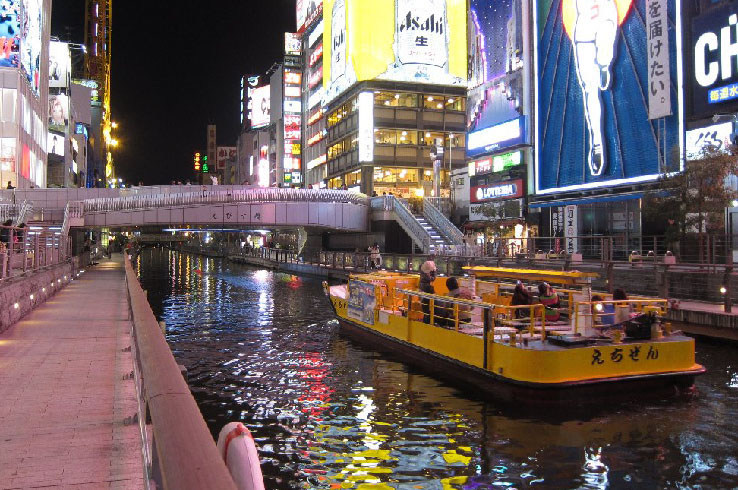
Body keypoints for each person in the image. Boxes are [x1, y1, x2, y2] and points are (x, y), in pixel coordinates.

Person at [419, 259, 437, 324]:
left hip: (422, 289)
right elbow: (432, 279)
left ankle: (425, 318)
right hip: (426, 289)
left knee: (424, 305)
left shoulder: (422, 272)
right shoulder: (426, 275)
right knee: (427, 305)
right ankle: (427, 319)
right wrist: (434, 272)